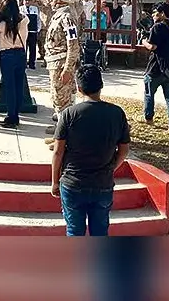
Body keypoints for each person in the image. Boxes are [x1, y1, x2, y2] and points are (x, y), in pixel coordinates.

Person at [50, 65, 131, 237]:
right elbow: (124, 150)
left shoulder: (68, 114)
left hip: (73, 183)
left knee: (74, 231)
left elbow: (58, 152)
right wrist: (111, 168)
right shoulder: (117, 113)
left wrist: (55, 182)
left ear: (79, 88)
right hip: (103, 183)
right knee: (100, 231)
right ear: (101, 86)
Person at [43, 0, 83, 149]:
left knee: (63, 103)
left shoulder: (66, 17)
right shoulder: (58, 15)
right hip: (54, 63)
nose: (50, 0)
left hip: (61, 64)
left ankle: (64, 140)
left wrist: (68, 68)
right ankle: (60, 136)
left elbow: (73, 44)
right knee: (58, 101)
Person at [140, 2, 169, 137]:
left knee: (149, 94)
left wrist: (143, 40)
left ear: (162, 13)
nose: (153, 15)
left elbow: (152, 46)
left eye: (155, 12)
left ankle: (149, 119)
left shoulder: (158, 26)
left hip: (155, 68)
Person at [0, 0, 30, 128]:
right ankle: (16, 114)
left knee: (9, 87)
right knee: (18, 85)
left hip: (7, 55)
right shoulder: (24, 20)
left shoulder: (2, 24)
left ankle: (11, 116)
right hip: (21, 54)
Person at [20, 0, 41, 69]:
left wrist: (38, 29)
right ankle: (23, 63)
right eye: (26, 0)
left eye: (29, 0)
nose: (27, 2)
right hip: (24, 32)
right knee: (24, 48)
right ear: (23, 1)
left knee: (32, 49)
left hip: (33, 31)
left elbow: (38, 19)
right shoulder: (20, 9)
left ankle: (32, 64)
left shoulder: (35, 9)